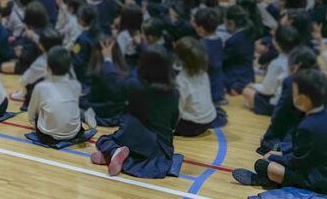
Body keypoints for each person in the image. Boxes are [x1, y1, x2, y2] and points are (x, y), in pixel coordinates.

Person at [232, 68, 327, 196]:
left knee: (263, 165)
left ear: (303, 99)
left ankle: (266, 179)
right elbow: (304, 151)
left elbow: (297, 161)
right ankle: (270, 178)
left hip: (319, 182)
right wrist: (281, 152)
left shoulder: (309, 125)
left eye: (294, 94)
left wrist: (274, 157)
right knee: (274, 154)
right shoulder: (326, 114)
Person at [91, 41, 181, 178]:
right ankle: (118, 154)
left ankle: (115, 151)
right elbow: (174, 122)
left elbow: (113, 82)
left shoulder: (135, 86)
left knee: (105, 140)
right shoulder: (174, 93)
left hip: (130, 136)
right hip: (157, 144)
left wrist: (108, 59)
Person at [27, 47, 86, 145]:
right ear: (71, 66)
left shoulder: (41, 87)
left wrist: (34, 123)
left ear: (48, 68)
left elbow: (31, 114)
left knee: (41, 108)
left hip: (49, 137)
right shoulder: (76, 85)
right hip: (74, 133)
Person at [174, 36, 219, 137]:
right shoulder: (203, 72)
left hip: (191, 125)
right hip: (209, 120)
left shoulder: (181, 80)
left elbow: (178, 109)